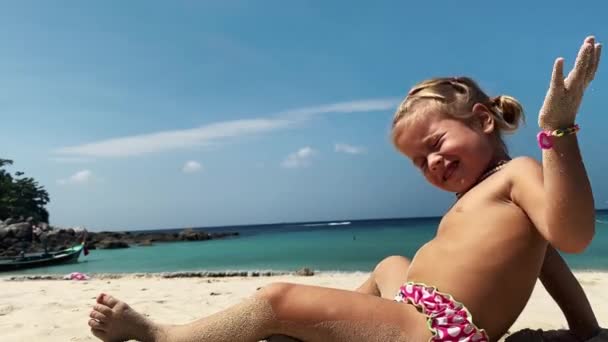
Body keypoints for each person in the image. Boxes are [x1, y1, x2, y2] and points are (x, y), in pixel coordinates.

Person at [87, 37, 602, 342]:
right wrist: (585, 328)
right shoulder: (489, 197)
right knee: (388, 265)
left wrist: (558, 132)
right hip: (418, 312)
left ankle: (161, 335)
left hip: (432, 333)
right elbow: (548, 261)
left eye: (437, 143)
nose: (433, 162)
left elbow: (570, 234)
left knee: (277, 297)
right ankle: (319, 332)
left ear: (485, 120)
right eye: (419, 161)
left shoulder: (517, 175)